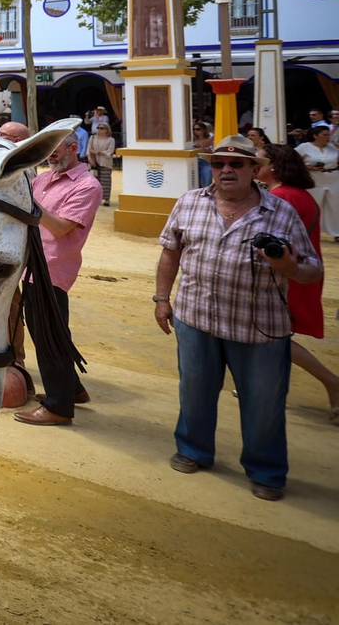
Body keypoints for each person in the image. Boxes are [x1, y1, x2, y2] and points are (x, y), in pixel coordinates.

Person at [153, 134, 322, 500]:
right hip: (196, 317)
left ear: (254, 170)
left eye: (236, 164)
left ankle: (266, 471)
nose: (226, 170)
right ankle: (193, 449)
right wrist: (162, 299)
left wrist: (289, 266)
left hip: (258, 326)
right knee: (194, 391)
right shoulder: (189, 202)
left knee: (263, 402)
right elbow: (170, 253)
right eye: (218, 164)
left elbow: (313, 270)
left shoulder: (281, 212)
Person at [15, 129, 103, 426]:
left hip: (53, 269)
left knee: (49, 336)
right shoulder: (44, 179)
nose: (50, 155)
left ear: (74, 149)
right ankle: (72, 390)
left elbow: (61, 227)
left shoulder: (87, 185)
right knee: (48, 334)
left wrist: (29, 201)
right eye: (48, 150)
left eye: (55, 150)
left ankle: (58, 406)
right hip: (33, 266)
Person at [258, 145, 339, 423]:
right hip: (300, 273)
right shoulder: (300, 195)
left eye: (261, 160)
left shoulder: (279, 197)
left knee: (275, 338)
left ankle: (331, 381)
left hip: (285, 277)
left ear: (275, 167)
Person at [294, 123, 337, 240]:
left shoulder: (333, 147)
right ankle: (309, 229)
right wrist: (308, 167)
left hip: (333, 178)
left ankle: (336, 232)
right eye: (325, 135)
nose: (328, 137)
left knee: (335, 205)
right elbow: (292, 160)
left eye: (328, 135)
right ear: (315, 136)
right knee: (313, 204)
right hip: (314, 178)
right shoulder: (304, 147)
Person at [87, 121, 116, 205]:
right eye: (98, 128)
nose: (99, 130)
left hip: (105, 163)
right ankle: (95, 199)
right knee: (94, 182)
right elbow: (89, 149)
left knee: (105, 181)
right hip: (94, 162)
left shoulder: (111, 140)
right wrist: (90, 158)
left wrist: (98, 152)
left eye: (101, 128)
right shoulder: (92, 138)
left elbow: (110, 152)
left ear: (106, 130)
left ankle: (106, 199)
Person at [192, 121, 213, 187]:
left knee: (206, 183)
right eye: (194, 129)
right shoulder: (191, 140)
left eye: (198, 129)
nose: (195, 131)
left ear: (203, 130)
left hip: (205, 161)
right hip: (194, 162)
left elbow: (213, 152)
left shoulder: (211, 140)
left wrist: (204, 150)